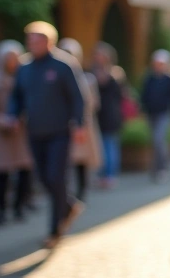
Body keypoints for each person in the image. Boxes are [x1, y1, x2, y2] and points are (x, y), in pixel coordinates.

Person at [9, 21, 85, 249]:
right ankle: (69, 206)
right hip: (35, 131)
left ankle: (55, 230)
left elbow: (77, 97)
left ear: (49, 41)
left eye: (36, 40)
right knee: (43, 178)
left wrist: (79, 125)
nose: (32, 44)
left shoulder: (63, 65)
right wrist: (14, 115)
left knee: (56, 177)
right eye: (29, 40)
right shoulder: (24, 67)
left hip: (59, 132)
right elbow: (16, 96)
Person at [0, 40, 34, 225]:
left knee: (24, 171)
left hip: (22, 132)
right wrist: (1, 120)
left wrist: (22, 118)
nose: (11, 62)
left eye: (14, 58)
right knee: (1, 174)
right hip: (2, 134)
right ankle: (1, 210)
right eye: (8, 58)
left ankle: (20, 207)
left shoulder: (26, 78)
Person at [58, 38, 101, 204]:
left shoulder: (87, 78)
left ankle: (81, 191)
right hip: (62, 124)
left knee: (81, 160)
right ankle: (66, 194)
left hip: (82, 124)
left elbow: (94, 102)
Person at [140, 50, 170, 181]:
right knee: (155, 141)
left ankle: (162, 167)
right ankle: (155, 168)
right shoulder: (149, 78)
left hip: (164, 113)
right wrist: (142, 110)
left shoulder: (169, 79)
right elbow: (144, 96)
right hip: (151, 113)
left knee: (159, 140)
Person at [92, 43, 126, 190]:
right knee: (101, 145)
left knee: (109, 145)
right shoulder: (93, 72)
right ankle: (103, 174)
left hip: (111, 114)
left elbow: (120, 95)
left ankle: (110, 175)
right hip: (97, 115)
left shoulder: (115, 73)